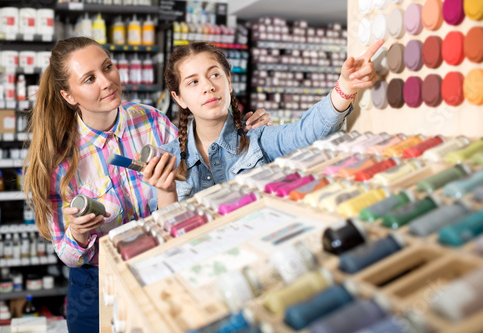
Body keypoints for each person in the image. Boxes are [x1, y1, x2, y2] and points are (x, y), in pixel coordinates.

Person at [22, 37, 271, 332]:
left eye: (108, 67)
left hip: (163, 267)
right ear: (69, 95)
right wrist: (76, 233)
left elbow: (197, 173)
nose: (107, 81)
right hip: (97, 284)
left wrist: (244, 136)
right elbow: (68, 255)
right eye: (90, 79)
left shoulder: (151, 120)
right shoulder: (61, 162)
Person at [143, 40, 384, 204]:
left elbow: (305, 134)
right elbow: (166, 237)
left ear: (228, 80)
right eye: (193, 82)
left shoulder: (258, 138)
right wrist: (166, 190)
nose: (208, 86)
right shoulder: (166, 160)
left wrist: (345, 86)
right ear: (179, 98)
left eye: (214, 74)